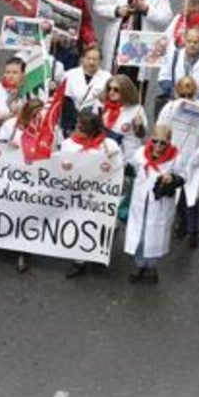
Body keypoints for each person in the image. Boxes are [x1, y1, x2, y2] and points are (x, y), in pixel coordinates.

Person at [157, 77, 199, 248]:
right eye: (183, 92)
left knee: (192, 197)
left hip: (195, 161)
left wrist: (197, 158)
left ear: (196, 90)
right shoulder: (169, 109)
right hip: (173, 159)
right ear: (177, 91)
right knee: (175, 194)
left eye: (190, 92)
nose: (186, 95)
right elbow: (160, 130)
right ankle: (181, 224)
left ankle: (194, 231)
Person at [61, 111, 124, 279]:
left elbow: (119, 171)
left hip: (100, 196)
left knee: (99, 225)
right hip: (78, 194)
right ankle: (78, 261)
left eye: (81, 127)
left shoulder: (109, 146)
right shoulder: (68, 144)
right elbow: (61, 167)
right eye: (77, 124)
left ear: (92, 130)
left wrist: (111, 162)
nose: (76, 128)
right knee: (79, 225)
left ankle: (98, 254)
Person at [93, 0, 174, 79]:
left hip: (141, 49)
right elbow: (98, 6)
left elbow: (166, 18)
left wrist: (147, 9)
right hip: (117, 44)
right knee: (114, 83)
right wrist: (116, 10)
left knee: (136, 88)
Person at [124, 124, 182, 284]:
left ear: (169, 141)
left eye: (162, 143)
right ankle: (140, 265)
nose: (157, 145)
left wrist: (172, 179)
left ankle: (152, 267)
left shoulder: (176, 157)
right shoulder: (140, 153)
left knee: (154, 235)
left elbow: (183, 177)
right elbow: (130, 169)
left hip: (159, 204)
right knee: (140, 235)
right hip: (140, 203)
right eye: (155, 141)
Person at [156, 27, 199, 117]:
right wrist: (175, 93)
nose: (192, 45)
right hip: (174, 107)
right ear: (185, 40)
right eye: (189, 41)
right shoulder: (173, 56)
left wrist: (197, 99)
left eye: (196, 42)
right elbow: (163, 77)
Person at [49, 0, 98, 70]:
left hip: (72, 49)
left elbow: (85, 22)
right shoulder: (48, 0)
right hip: (52, 49)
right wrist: (48, 37)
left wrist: (90, 39)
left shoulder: (80, 1)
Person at [61, 44, 111, 133]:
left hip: (94, 123)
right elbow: (65, 99)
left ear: (100, 61)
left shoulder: (107, 77)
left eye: (95, 59)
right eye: (89, 58)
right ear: (82, 59)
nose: (92, 62)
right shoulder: (70, 74)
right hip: (71, 121)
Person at [100, 74, 148, 155]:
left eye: (116, 89)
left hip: (127, 155)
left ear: (125, 90)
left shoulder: (136, 109)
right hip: (107, 154)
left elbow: (142, 136)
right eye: (109, 89)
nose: (111, 92)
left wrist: (139, 126)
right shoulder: (104, 107)